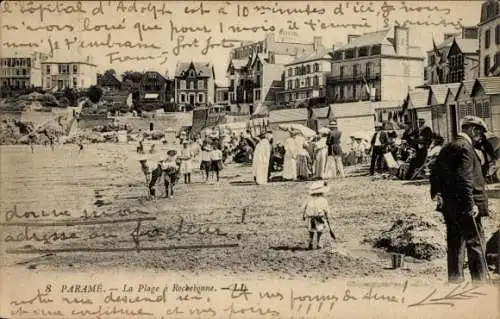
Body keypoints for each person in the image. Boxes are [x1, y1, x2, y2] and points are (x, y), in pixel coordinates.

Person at [430, 116, 490, 284]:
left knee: (455, 244)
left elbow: (435, 173)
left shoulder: (448, 146)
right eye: (479, 133)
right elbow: (465, 179)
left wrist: (439, 195)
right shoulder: (466, 148)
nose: (480, 137)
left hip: (450, 206)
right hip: (466, 206)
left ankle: (455, 281)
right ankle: (480, 284)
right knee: (475, 244)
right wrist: (471, 204)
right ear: (472, 130)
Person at [302, 181, 331, 250]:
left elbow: (304, 208)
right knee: (320, 231)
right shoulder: (323, 200)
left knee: (311, 232)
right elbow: (326, 210)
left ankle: (310, 244)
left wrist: (304, 215)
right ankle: (319, 243)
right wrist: (327, 216)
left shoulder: (309, 199)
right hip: (319, 218)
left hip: (310, 218)